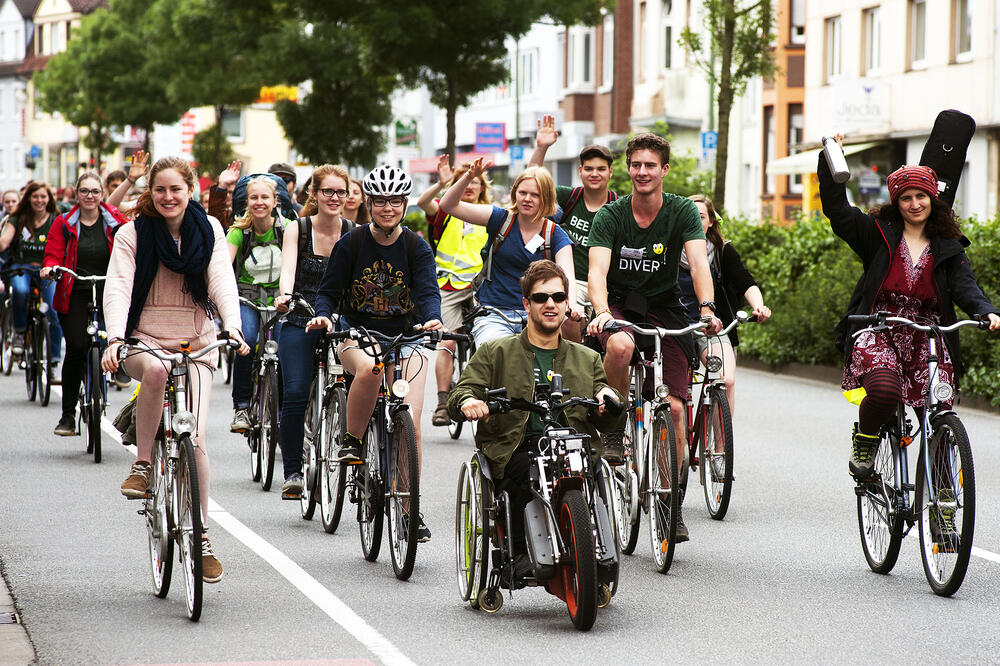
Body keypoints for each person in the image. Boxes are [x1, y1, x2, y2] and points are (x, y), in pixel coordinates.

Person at [100, 156, 249, 584]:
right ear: (151, 192)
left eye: (176, 190)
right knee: (157, 372)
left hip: (197, 343)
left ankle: (201, 536)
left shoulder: (209, 230)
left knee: (196, 440)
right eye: (160, 190)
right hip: (141, 339)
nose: (168, 197)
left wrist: (233, 327)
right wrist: (115, 338)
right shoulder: (132, 233)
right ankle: (144, 465)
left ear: (189, 192)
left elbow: (221, 278)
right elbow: (119, 286)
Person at [818, 136, 1000, 481]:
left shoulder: (948, 246)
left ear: (933, 198)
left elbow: (966, 286)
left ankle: (945, 503)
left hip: (928, 336)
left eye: (921, 196)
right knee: (884, 392)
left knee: (940, 415)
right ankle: (866, 439)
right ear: (896, 202)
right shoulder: (877, 233)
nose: (915, 204)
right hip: (879, 329)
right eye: (906, 198)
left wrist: (986, 311)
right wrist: (831, 161)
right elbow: (838, 212)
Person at [448, 260, 622, 577]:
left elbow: (604, 403)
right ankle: (519, 554)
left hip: (574, 447)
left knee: (591, 470)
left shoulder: (588, 357)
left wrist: (606, 401)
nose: (550, 304)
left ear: (568, 303)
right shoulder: (495, 352)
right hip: (516, 447)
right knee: (527, 470)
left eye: (557, 297)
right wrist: (470, 401)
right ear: (526, 303)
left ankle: (595, 551)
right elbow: (462, 391)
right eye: (541, 298)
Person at [586, 132, 721, 543]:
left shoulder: (682, 211)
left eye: (651, 165)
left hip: (667, 308)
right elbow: (596, 272)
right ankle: (613, 426)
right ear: (628, 169)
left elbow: (698, 265)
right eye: (636, 165)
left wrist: (707, 308)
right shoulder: (611, 215)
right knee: (621, 345)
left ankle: (671, 503)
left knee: (676, 410)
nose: (642, 172)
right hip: (622, 305)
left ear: (664, 169)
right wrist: (603, 313)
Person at [307, 164, 441, 540]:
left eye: (395, 201)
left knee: (410, 422)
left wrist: (432, 319)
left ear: (404, 203)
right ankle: (352, 440)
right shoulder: (351, 243)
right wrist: (323, 318)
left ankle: (409, 509)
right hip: (357, 333)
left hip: (408, 337)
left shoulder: (416, 246)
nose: (388, 208)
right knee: (370, 370)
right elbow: (329, 292)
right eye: (380, 201)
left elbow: (429, 292)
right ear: (368, 203)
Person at [272, 164, 354, 499]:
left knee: (361, 385)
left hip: (341, 318)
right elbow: (287, 269)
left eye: (340, 192)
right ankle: (292, 470)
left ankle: (358, 467)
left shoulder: (353, 231)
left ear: (348, 196)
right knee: (294, 392)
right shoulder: (298, 228)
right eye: (327, 192)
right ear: (315, 195)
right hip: (301, 314)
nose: (334, 198)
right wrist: (285, 296)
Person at [439, 158, 579, 348]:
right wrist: (469, 176)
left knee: (541, 364)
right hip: (494, 314)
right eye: (522, 193)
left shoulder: (554, 234)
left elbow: (567, 275)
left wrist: (572, 303)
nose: (527, 199)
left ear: (545, 198)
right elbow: (448, 205)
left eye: (535, 195)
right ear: (515, 194)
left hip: (537, 315)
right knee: (494, 354)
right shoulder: (500, 218)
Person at [41, 172, 129, 436]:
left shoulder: (114, 220)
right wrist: (50, 268)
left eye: (95, 191)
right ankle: (68, 415)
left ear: (102, 194)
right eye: (84, 191)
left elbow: (130, 245)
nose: (90, 196)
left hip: (109, 290)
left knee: (110, 342)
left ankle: (112, 375)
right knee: (77, 348)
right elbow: (53, 252)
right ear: (76, 194)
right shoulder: (64, 222)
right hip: (75, 291)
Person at [677, 194, 771, 431]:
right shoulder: (668, 251)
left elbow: (745, 282)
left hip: (711, 326)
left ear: (710, 222)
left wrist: (758, 305)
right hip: (675, 326)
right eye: (689, 216)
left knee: (725, 381)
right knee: (670, 392)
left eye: (700, 216)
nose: (695, 220)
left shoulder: (721, 252)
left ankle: (719, 453)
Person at [416, 154, 491, 427]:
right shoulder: (445, 211)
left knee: (487, 342)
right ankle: (443, 403)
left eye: (474, 180)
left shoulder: (492, 214)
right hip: (447, 285)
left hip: (480, 287)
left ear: (483, 186)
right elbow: (423, 203)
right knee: (447, 342)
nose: (469, 185)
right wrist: (442, 184)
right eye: (463, 180)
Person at [528, 114, 618, 341]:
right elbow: (531, 182)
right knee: (568, 320)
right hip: (567, 283)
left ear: (610, 173)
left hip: (605, 286)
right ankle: (574, 368)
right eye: (588, 169)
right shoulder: (569, 197)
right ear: (580, 172)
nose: (594, 174)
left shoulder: (619, 207)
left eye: (600, 169)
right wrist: (541, 148)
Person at [226, 176, 289, 433]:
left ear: (275, 202)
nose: (259, 202)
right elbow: (224, 267)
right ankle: (241, 406)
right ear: (247, 202)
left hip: (282, 301)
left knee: (288, 348)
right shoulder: (238, 232)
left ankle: (286, 409)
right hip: (247, 299)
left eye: (265, 197)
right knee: (247, 342)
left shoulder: (288, 229)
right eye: (254, 198)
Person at [0, 181, 63, 363]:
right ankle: (19, 332)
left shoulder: (56, 219)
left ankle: (54, 357)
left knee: (53, 308)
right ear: (28, 198)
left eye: (43, 196)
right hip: (22, 267)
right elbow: (4, 242)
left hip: (48, 270)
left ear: (49, 199)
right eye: (35, 196)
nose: (39, 200)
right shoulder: (18, 218)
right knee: (20, 291)